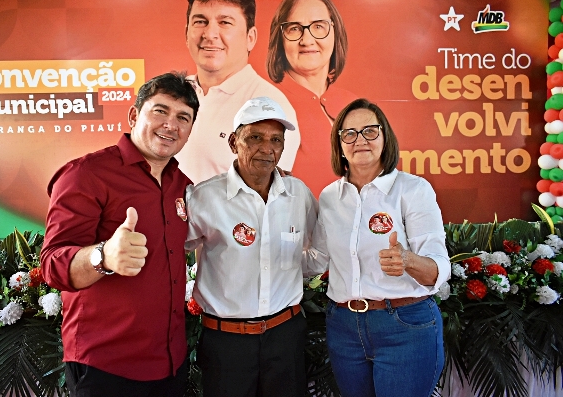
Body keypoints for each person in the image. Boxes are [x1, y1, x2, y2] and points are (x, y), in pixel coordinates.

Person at [40, 72, 199, 397]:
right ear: (133, 115)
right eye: (160, 111)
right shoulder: (86, 174)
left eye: (183, 118)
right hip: (106, 366)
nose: (171, 125)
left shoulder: (183, 185)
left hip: (171, 363)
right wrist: (103, 256)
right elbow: (52, 266)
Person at [308, 98, 450, 397]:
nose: (360, 140)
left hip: (405, 325)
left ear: (386, 138)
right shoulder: (330, 197)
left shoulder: (413, 190)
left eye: (370, 131)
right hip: (344, 327)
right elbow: (317, 260)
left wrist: (408, 260)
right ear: (339, 145)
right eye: (349, 133)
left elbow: (438, 269)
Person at [185, 96, 317, 397]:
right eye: (255, 137)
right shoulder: (204, 197)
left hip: (285, 338)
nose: (267, 149)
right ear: (234, 142)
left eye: (276, 140)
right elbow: (173, 253)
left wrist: (294, 268)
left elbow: (320, 248)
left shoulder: (298, 194)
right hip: (226, 343)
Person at [175, 0, 300, 184]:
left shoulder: (270, 104)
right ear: (187, 33)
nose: (210, 34)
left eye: (225, 22)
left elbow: (268, 192)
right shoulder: (174, 93)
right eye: (200, 21)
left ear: (250, 38)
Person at [267, 0, 357, 198]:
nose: (307, 40)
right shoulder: (268, 104)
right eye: (294, 29)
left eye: (318, 26)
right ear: (280, 39)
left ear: (335, 32)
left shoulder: (355, 105)